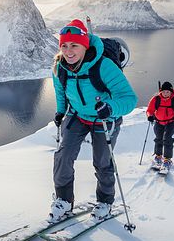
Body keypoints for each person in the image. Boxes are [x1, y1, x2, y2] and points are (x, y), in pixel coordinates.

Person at [51, 19, 137, 221]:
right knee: (63, 156)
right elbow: (60, 91)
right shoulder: (59, 67)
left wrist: (111, 108)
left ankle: (105, 201)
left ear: (85, 45)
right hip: (78, 116)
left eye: (74, 45)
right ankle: (63, 200)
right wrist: (60, 111)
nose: (68, 51)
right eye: (64, 45)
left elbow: (129, 99)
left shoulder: (103, 66)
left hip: (104, 119)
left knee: (102, 162)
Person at [145, 82, 174, 170]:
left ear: (171, 92)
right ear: (161, 91)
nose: (166, 93)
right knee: (158, 138)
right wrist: (150, 116)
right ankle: (158, 156)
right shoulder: (156, 99)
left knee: (167, 138)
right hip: (159, 122)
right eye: (164, 91)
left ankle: (167, 159)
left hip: (171, 122)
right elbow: (149, 110)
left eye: (168, 92)